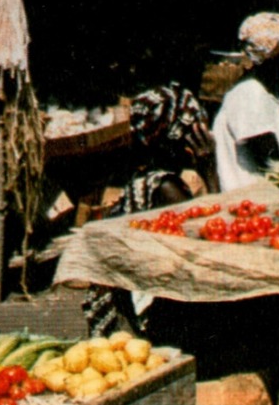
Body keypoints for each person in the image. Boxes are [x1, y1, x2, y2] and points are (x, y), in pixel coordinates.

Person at [83, 84, 211, 335]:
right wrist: (209, 164)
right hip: (136, 320)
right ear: (179, 137)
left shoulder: (146, 175)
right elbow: (212, 242)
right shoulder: (166, 188)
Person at [212, 12, 279, 191]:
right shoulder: (249, 95)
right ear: (277, 55)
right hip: (251, 200)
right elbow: (270, 161)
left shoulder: (266, 92)